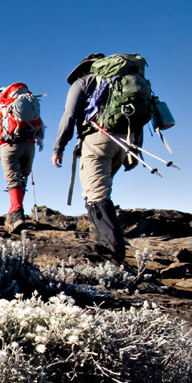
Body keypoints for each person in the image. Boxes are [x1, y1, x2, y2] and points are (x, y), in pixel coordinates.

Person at [52, 53, 131, 262]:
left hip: (97, 141)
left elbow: (69, 116)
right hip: (123, 142)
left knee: (96, 195)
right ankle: (104, 245)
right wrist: (133, 151)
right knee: (102, 191)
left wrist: (58, 147)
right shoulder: (119, 82)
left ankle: (113, 256)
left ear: (84, 69)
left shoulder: (84, 82)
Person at [0, 84, 43, 233]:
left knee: (13, 180)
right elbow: (39, 122)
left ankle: (17, 215)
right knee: (22, 178)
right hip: (29, 145)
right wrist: (39, 139)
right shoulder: (25, 101)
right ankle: (14, 212)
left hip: (9, 146)